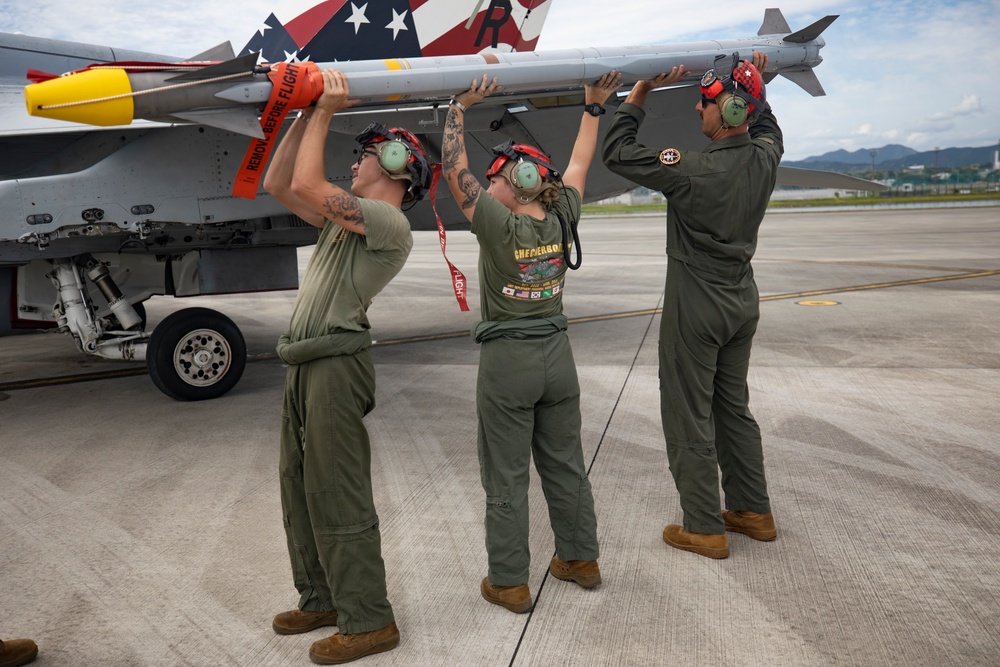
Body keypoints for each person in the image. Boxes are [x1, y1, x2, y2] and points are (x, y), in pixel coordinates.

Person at [263, 69, 432, 664]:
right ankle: (322, 597)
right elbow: (280, 183)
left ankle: (369, 619)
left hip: (336, 364)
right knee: (299, 484)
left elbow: (308, 183)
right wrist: (297, 112)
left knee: (338, 491)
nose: (354, 165)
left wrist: (326, 108)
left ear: (393, 161)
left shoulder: (388, 223)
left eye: (364, 155)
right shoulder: (345, 220)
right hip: (306, 363)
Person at [441, 71, 622, 612]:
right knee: (565, 464)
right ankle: (579, 558)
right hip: (557, 359)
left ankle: (509, 581)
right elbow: (581, 164)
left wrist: (456, 107)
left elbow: (454, 169)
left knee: (506, 473)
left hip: (509, 363)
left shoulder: (498, 224)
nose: (487, 186)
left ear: (513, 180)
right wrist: (593, 107)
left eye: (495, 178)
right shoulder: (562, 216)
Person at [601, 53, 782, 559]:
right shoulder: (766, 158)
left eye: (703, 105)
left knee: (688, 414)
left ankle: (703, 525)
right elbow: (767, 124)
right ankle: (753, 511)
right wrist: (755, 81)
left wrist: (636, 95)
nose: (696, 114)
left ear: (725, 112)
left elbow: (617, 153)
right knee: (733, 410)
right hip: (741, 303)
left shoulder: (691, 169)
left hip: (697, 308)